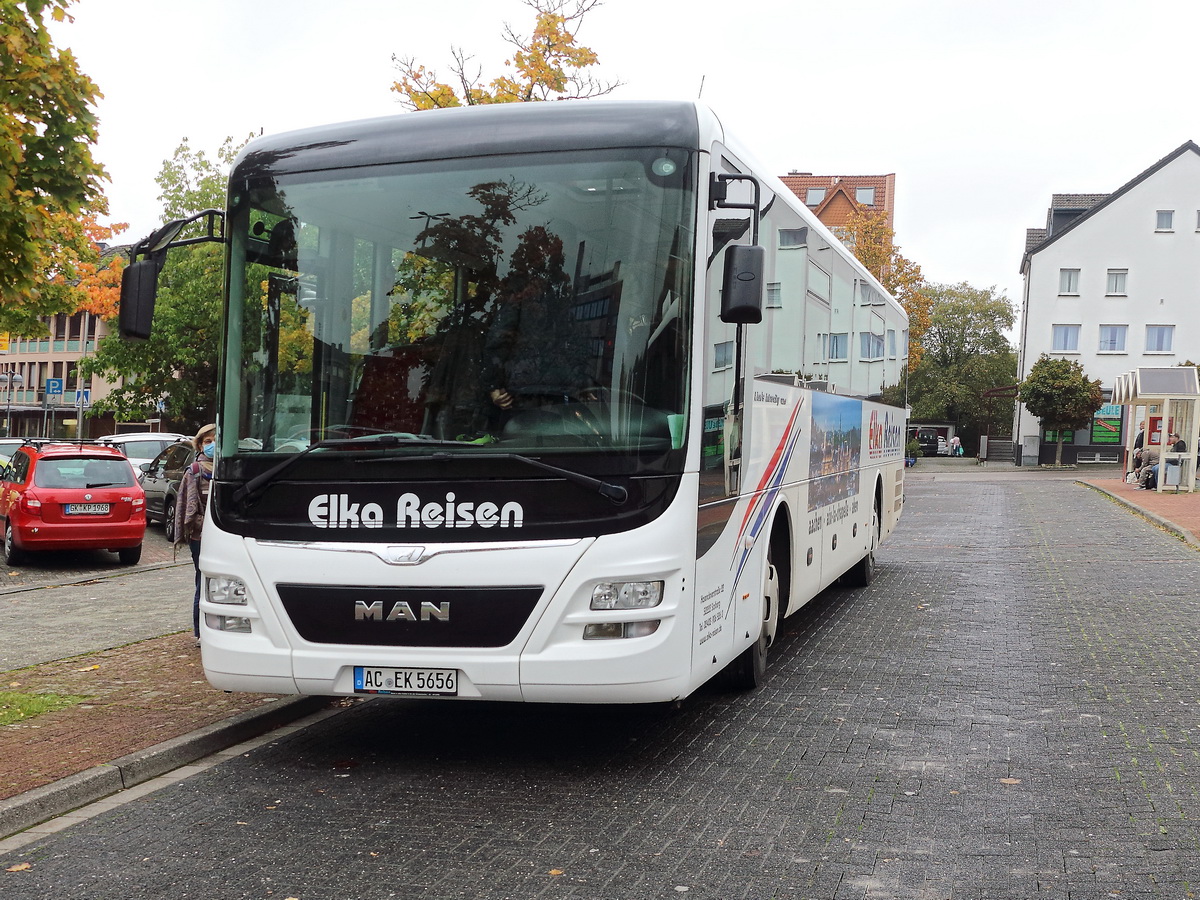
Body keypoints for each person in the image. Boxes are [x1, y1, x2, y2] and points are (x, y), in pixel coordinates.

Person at [172, 424, 216, 645]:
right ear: (200, 445)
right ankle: (200, 632)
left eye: (216, 440)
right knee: (203, 582)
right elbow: (189, 512)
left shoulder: (229, 468)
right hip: (202, 539)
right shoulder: (195, 472)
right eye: (208, 441)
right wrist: (207, 524)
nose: (213, 445)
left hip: (225, 537)